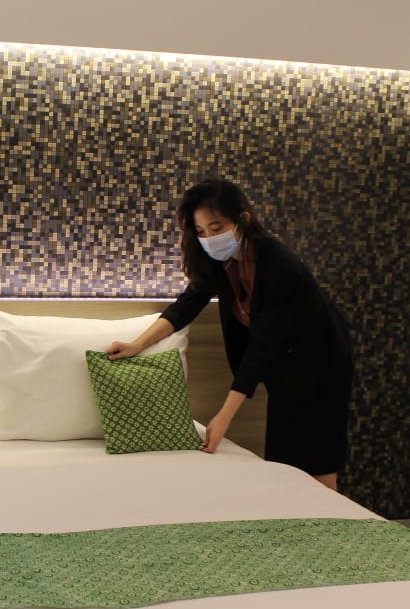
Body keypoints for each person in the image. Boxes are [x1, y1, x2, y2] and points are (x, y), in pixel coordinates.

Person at [106, 177, 353, 491]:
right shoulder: (220, 263)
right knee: (285, 462)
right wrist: (137, 344)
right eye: (201, 232)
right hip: (284, 368)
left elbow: (262, 346)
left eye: (216, 228)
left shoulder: (281, 267)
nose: (209, 238)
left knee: (319, 461)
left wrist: (223, 417)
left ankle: (333, 518)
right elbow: (187, 306)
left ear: (243, 220)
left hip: (322, 363)